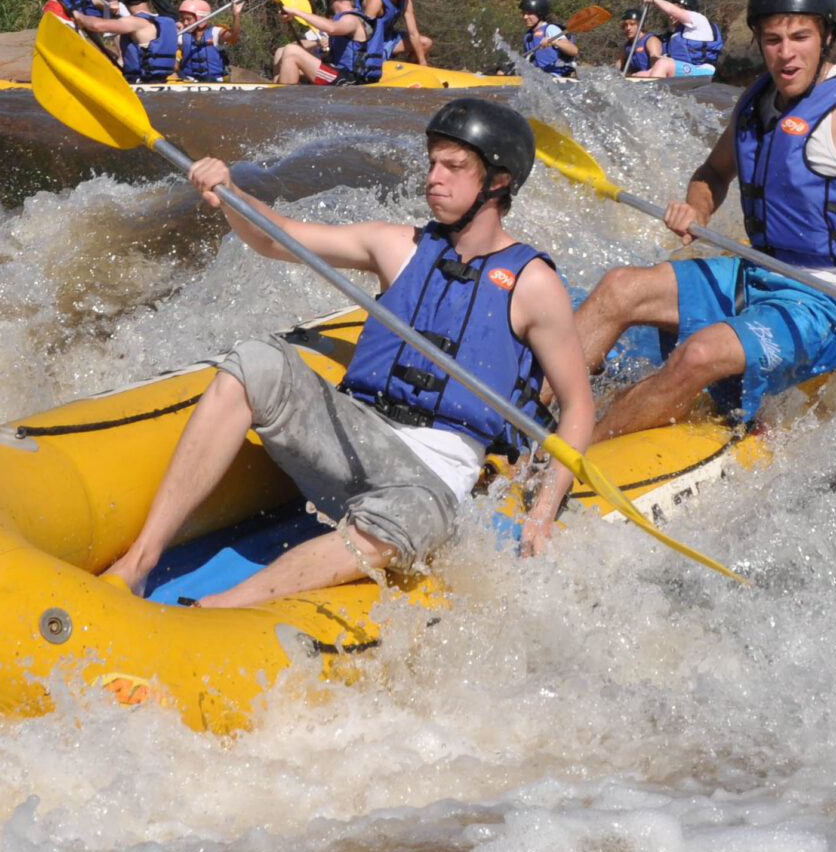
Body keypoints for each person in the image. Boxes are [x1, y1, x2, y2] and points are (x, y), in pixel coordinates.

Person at [103, 99, 594, 608]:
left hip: (429, 480)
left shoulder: (533, 284)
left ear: (497, 181)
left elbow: (579, 408)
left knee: (411, 521)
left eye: (453, 167)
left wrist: (542, 511)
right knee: (256, 361)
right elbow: (280, 240)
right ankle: (138, 562)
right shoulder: (396, 245)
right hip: (354, 436)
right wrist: (228, 194)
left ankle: (216, 610)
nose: (433, 178)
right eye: (432, 162)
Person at [570, 0, 836, 438]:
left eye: (800, 37)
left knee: (700, 353)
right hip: (759, 270)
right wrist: (698, 208)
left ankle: (570, 455)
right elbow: (712, 173)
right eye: (773, 40)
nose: (786, 54)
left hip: (835, 302)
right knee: (618, 289)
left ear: (826, 36)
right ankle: (523, 416)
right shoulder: (756, 102)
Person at [67, 0, 181, 83]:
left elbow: (97, 26)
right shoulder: (168, 22)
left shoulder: (136, 22)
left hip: (142, 83)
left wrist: (78, 15)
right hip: (164, 81)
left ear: (124, 0)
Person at [272, 0, 373, 84]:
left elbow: (332, 28)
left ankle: (282, 98)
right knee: (282, 53)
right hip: (338, 73)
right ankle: (274, 91)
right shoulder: (343, 19)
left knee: (291, 51)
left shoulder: (351, 19)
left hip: (348, 79)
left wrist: (296, 12)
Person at [359, 0, 431, 71]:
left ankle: (407, 73)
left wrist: (423, 62)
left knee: (425, 43)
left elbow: (413, 33)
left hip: (389, 37)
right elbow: (364, 33)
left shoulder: (405, 0)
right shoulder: (375, 1)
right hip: (373, 42)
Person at [648, 0, 723, 73]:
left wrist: (654, 0)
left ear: (688, 9)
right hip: (685, 71)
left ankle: (655, 86)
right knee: (642, 74)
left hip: (702, 70)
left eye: (678, 8)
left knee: (663, 64)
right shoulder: (677, 33)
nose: (671, 16)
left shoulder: (698, 19)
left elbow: (673, 11)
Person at [518, 0, 577, 77]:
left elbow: (574, 50)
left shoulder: (551, 29)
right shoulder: (528, 36)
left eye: (529, 13)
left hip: (559, 76)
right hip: (540, 77)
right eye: (523, 13)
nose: (525, 17)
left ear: (540, 14)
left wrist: (555, 42)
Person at [177, 0, 233, 81]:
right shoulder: (182, 37)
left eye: (188, 19)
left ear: (200, 18)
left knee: (209, 78)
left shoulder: (215, 33)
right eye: (183, 19)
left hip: (215, 80)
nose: (185, 23)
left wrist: (236, 15)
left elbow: (233, 34)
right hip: (189, 80)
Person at [618, 7, 668, 78]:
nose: (628, 28)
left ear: (640, 26)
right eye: (625, 25)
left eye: (632, 24)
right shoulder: (627, 46)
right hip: (636, 80)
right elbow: (617, 66)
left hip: (651, 77)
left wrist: (643, 74)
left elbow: (657, 63)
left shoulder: (651, 40)